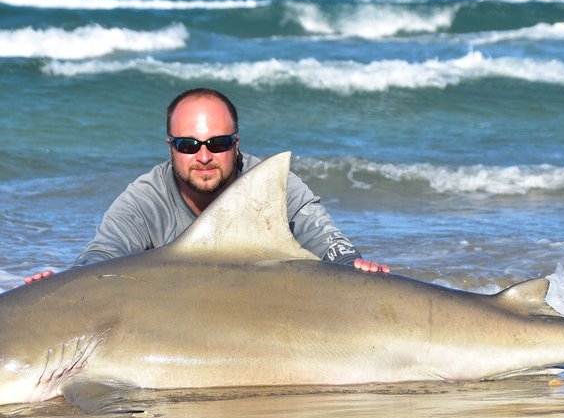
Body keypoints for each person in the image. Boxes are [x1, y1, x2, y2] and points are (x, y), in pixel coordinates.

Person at [25, 88, 387, 283]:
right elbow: (103, 255)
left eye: (217, 143)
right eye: (188, 145)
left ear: (236, 143)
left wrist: (350, 264)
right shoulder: (145, 198)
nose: (203, 156)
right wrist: (63, 287)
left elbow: (326, 239)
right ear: (170, 148)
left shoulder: (271, 185)